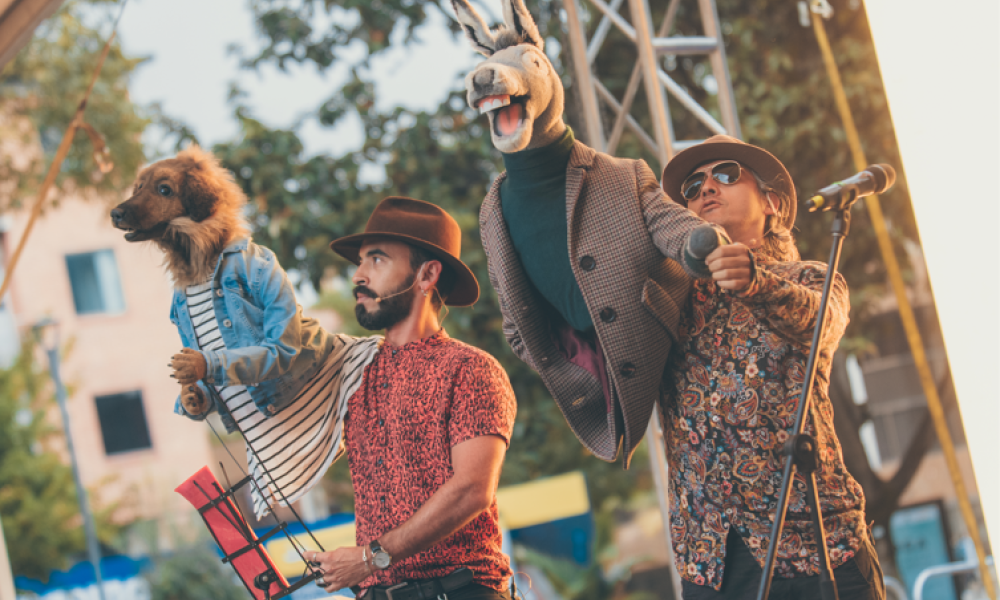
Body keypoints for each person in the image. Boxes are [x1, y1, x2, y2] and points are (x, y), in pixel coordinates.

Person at [657, 135, 884, 600]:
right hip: (713, 561)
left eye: (725, 174)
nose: (705, 189)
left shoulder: (810, 276)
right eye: (693, 186)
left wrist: (754, 281)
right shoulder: (672, 300)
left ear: (772, 203)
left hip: (817, 545)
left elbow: (820, 321)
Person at [308, 196, 517, 600]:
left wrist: (370, 558)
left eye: (378, 259)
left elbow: (473, 488)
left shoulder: (471, 369)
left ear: (427, 275)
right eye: (361, 261)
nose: (359, 275)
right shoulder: (356, 375)